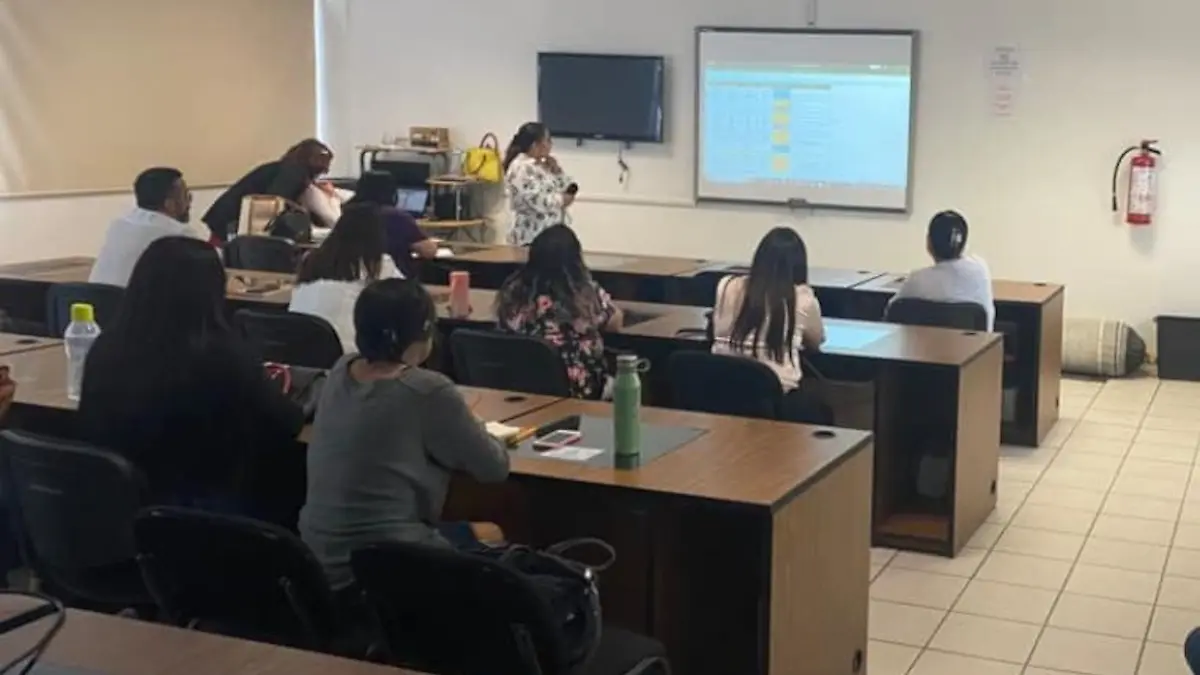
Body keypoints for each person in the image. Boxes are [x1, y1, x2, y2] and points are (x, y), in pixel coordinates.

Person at [299, 278, 509, 590]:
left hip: (318, 560)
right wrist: (471, 422)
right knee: (492, 534)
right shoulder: (429, 391)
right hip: (388, 562)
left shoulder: (340, 370)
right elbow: (494, 468)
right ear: (422, 331)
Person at [78, 237, 306, 512]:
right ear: (213, 292)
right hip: (204, 520)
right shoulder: (225, 358)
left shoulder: (105, 349)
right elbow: (288, 423)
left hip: (116, 513)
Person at [711, 226, 831, 424]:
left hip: (721, 389)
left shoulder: (726, 285)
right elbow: (816, 342)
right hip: (774, 395)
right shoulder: (802, 298)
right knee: (820, 404)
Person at [495, 225, 622, 399]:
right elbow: (615, 322)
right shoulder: (581, 293)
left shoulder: (513, 291)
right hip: (578, 389)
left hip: (521, 385)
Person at [288, 204, 403, 353]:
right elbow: (407, 294)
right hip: (348, 355)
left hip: (298, 353)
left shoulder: (311, 259)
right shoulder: (378, 265)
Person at [202, 139, 334, 243]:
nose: (326, 170)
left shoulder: (285, 168)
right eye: (324, 163)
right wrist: (300, 210)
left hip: (226, 216)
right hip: (230, 220)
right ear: (311, 159)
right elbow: (274, 199)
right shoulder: (294, 173)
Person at [89, 168, 201, 287]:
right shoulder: (179, 233)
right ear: (169, 204)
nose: (189, 203)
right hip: (130, 304)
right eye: (186, 196)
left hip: (95, 301)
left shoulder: (119, 224)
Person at [890, 210, 996, 330]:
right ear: (964, 244)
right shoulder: (980, 270)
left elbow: (892, 312)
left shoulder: (917, 281)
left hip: (924, 348)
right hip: (975, 347)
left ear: (928, 243)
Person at [344, 170, 437, 277]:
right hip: (395, 280)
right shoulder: (397, 217)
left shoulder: (347, 213)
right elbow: (428, 252)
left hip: (355, 275)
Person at [503, 122, 577, 246]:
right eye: (547, 140)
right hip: (532, 237)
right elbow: (536, 201)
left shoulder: (541, 166)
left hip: (551, 235)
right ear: (535, 144)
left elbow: (565, 187)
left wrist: (557, 171)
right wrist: (562, 200)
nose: (550, 145)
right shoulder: (521, 168)